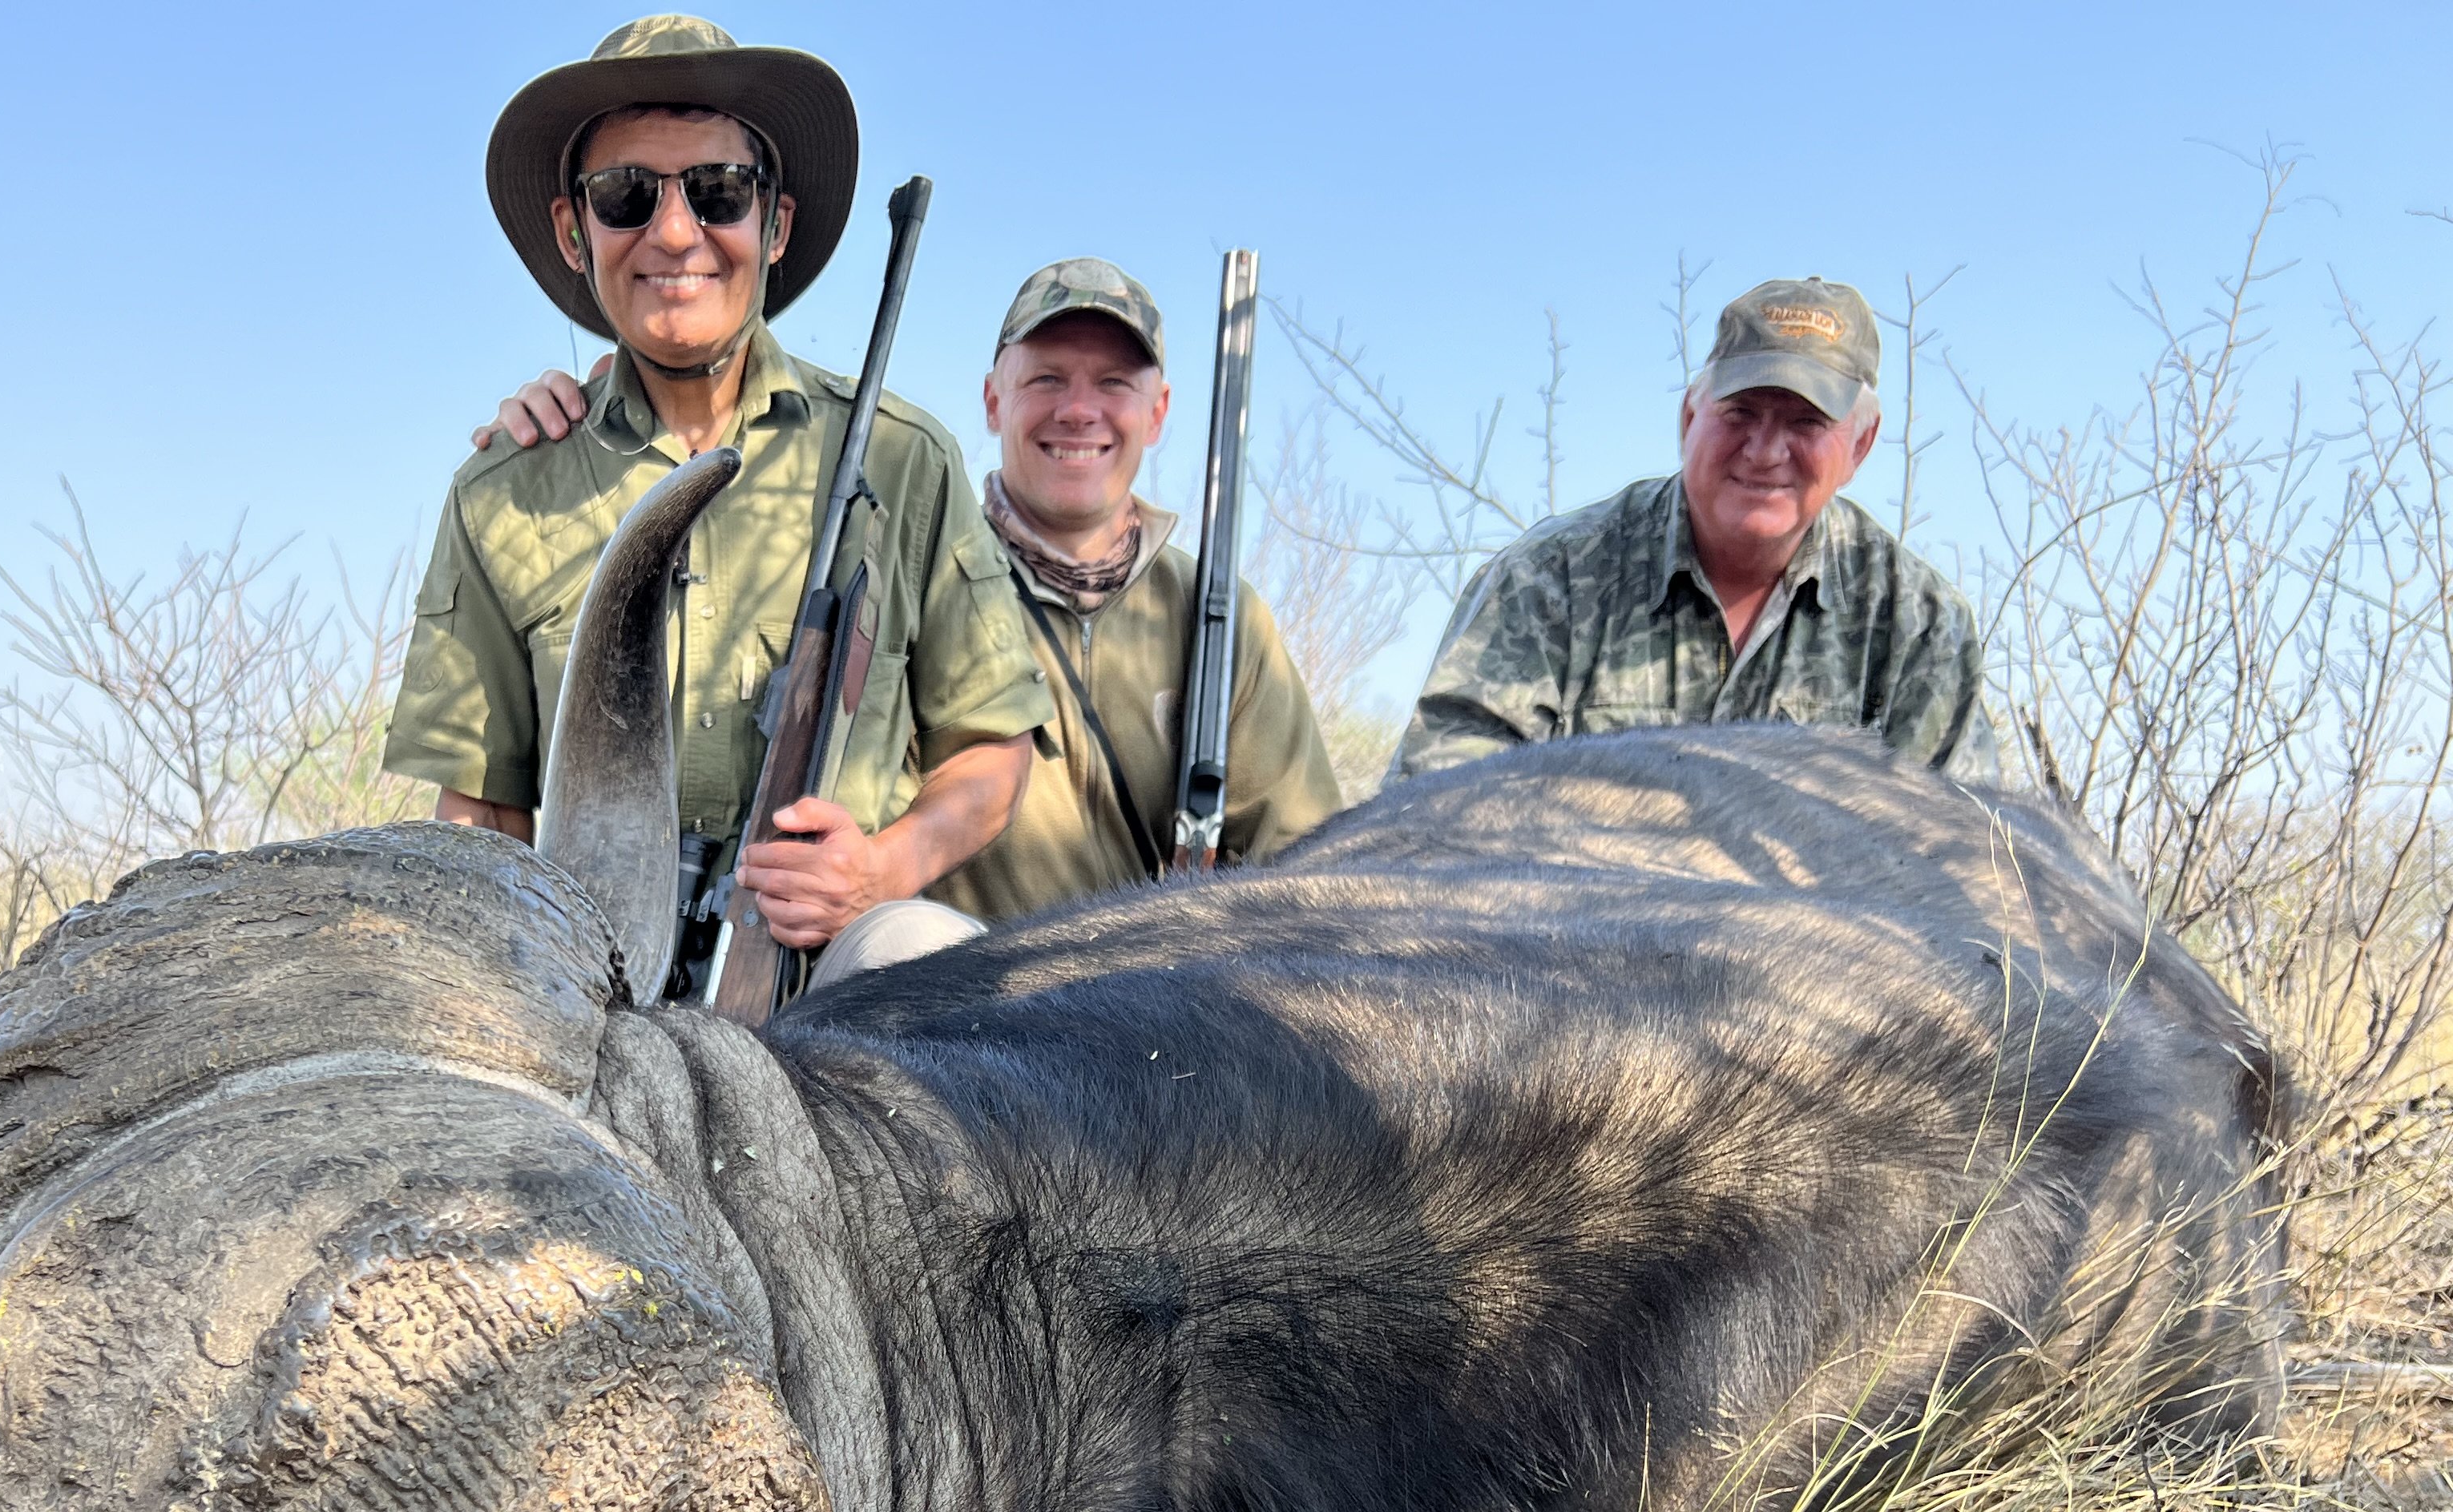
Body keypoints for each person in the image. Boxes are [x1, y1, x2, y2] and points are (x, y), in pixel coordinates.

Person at [385, 15, 1047, 987]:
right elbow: (480, 813)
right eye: (625, 196)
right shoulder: (504, 491)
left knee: (926, 956)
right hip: (587, 986)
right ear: (577, 231)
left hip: (825, 976)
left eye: (719, 191)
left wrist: (877, 872)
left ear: (772, 224)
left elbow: (993, 747)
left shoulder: (906, 459)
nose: (676, 231)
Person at [477, 259, 1348, 926]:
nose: (1079, 411)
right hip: (943, 1034)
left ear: (1157, 415)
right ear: (992, 399)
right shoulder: (908, 547)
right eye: (1046, 379)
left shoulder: (1223, 621)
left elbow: (1313, 865)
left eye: (1114, 385)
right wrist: (604, 415)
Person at [1387, 277, 2002, 785]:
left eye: (1806, 423)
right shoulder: (1549, 579)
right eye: (1740, 413)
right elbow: (1435, 810)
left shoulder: (1918, 625)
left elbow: (1967, 867)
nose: (1764, 452)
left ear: (1860, 446)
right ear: (1689, 417)